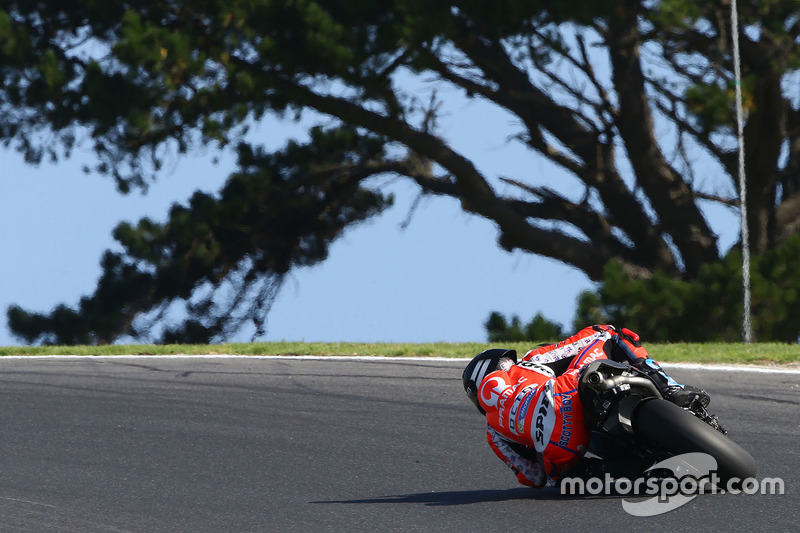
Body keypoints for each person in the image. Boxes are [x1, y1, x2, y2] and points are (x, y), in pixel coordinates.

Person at [462, 324, 709, 487]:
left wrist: (537, 441)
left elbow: (533, 476)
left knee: (558, 477)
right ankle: (669, 386)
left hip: (564, 446)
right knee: (610, 333)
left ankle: (631, 472)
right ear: (502, 363)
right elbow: (569, 347)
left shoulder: (494, 433)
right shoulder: (528, 362)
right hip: (570, 391)